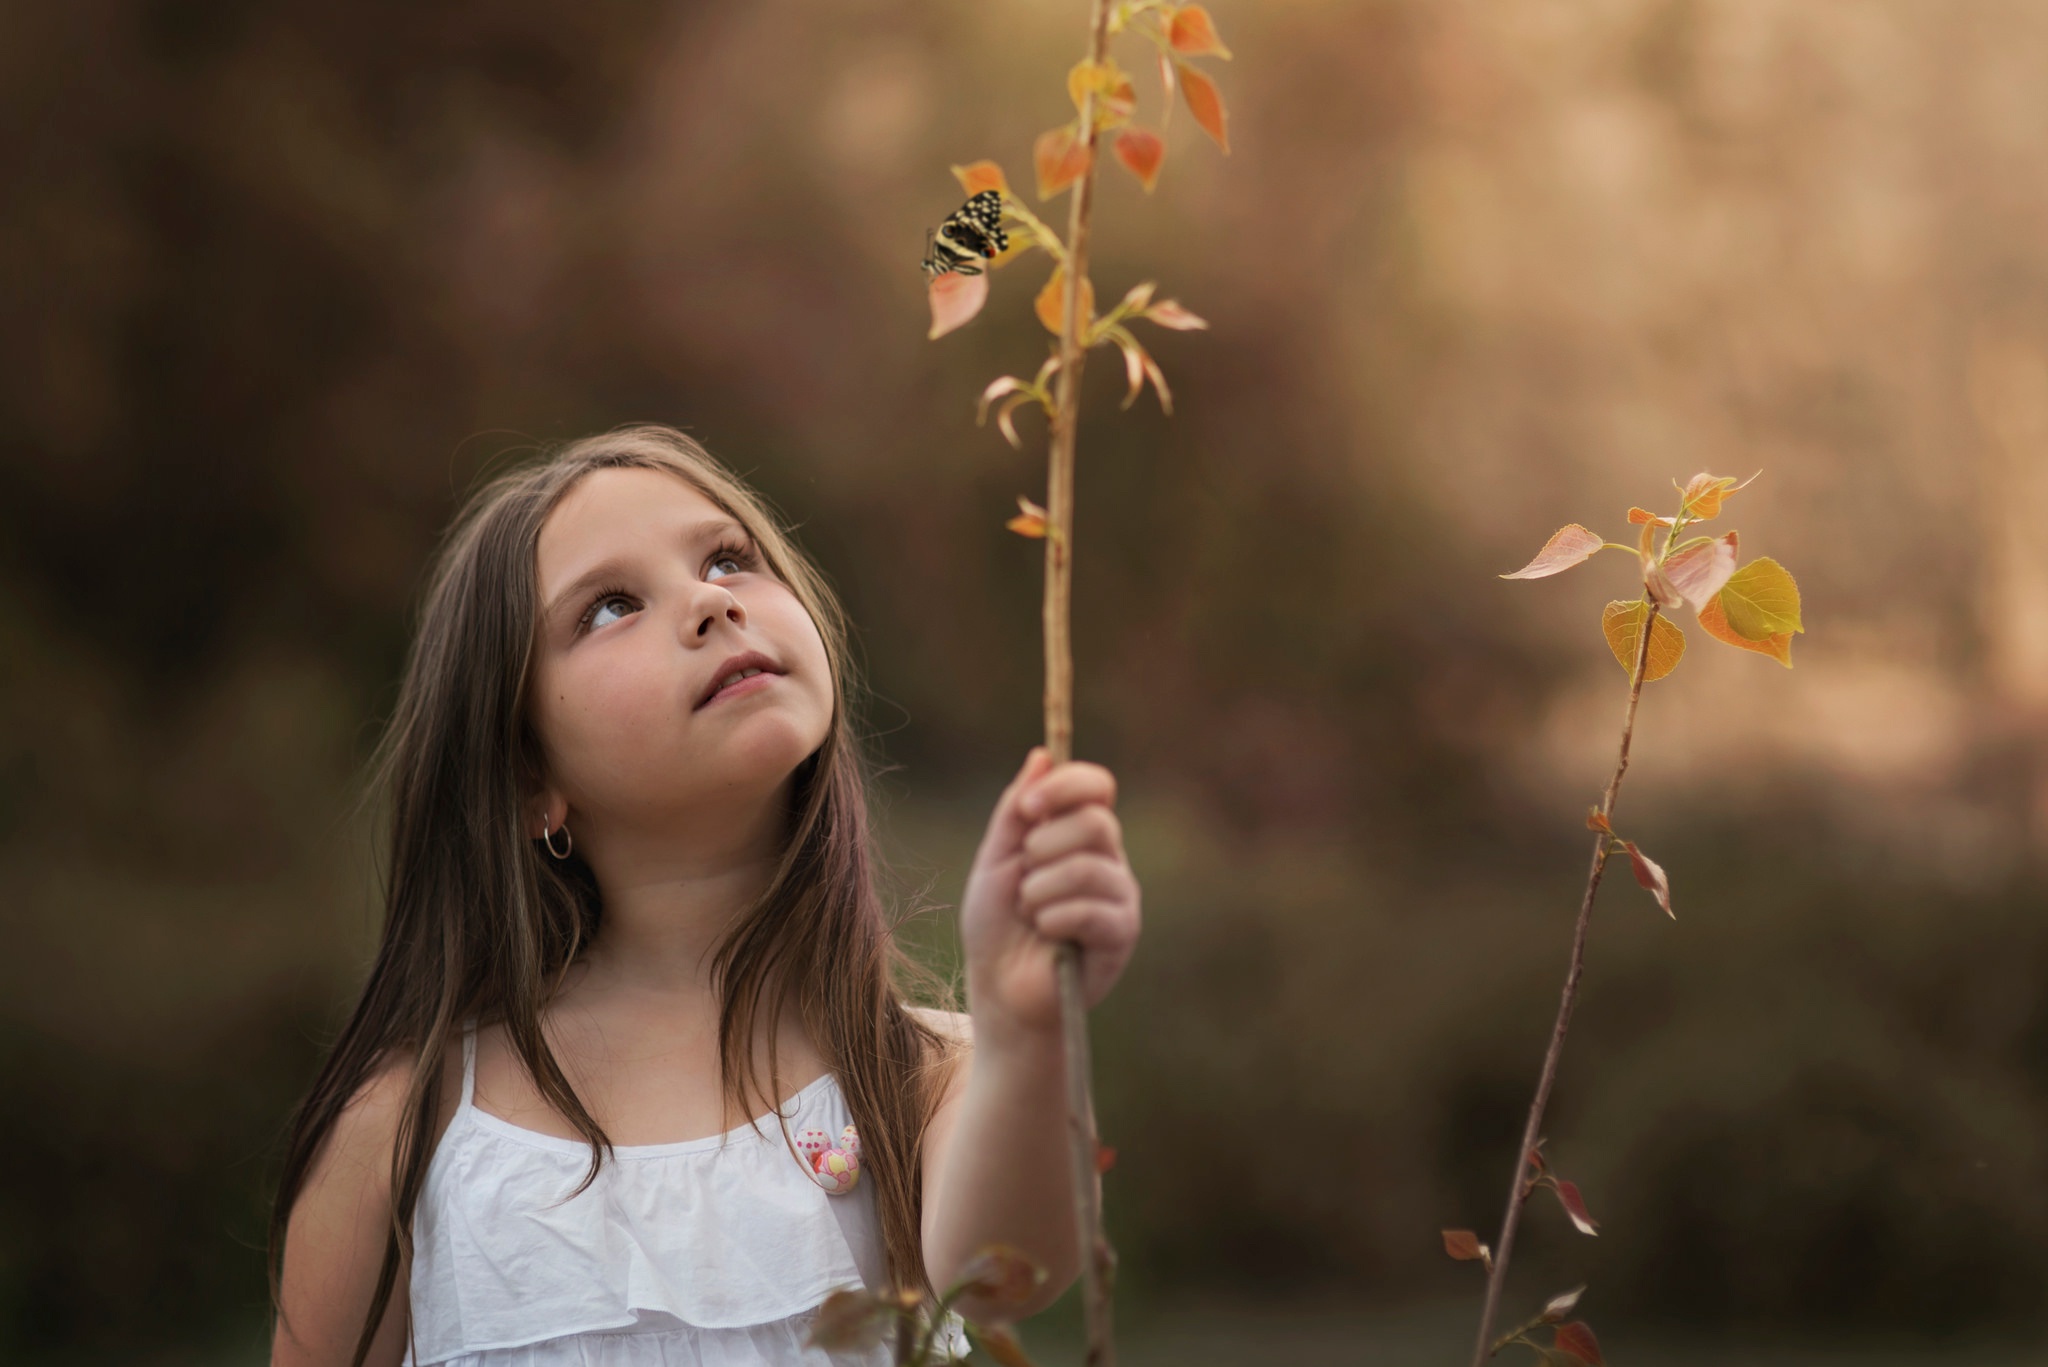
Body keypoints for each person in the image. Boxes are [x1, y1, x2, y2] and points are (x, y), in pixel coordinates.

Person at [266, 426, 1143, 1366]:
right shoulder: (415, 1128)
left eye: (729, 557)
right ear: (529, 781)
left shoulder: (921, 1078)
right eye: (608, 608)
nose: (708, 601)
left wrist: (1023, 1029)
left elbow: (1015, 1271)